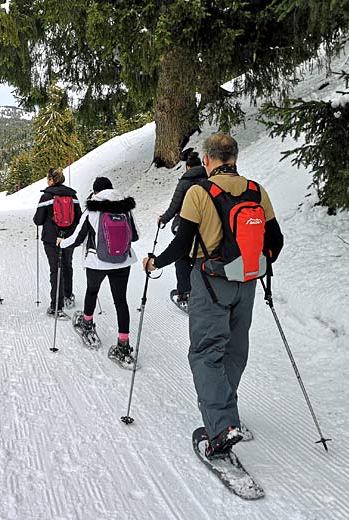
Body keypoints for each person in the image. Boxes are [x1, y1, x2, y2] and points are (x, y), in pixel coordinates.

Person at [143, 133, 284, 457]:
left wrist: (155, 262)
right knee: (235, 349)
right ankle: (226, 413)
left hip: (210, 281)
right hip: (246, 282)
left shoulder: (199, 192)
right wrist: (253, 264)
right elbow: (275, 240)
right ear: (234, 157)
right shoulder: (255, 190)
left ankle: (221, 428)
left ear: (207, 160)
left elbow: (182, 245)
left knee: (206, 352)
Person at [58, 176, 139, 366]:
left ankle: (87, 323)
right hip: (123, 261)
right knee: (121, 300)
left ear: (96, 192)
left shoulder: (92, 210)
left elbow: (77, 238)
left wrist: (62, 243)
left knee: (92, 291)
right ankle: (123, 344)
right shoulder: (125, 207)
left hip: (97, 261)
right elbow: (135, 236)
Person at [157, 148, 208, 308]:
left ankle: (185, 294)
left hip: (185, 225)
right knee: (202, 258)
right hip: (207, 227)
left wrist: (163, 219)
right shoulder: (210, 180)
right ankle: (205, 292)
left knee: (182, 258)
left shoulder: (185, 182)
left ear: (187, 167)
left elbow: (175, 205)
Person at [33, 167, 82, 316]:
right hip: (69, 237)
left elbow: (38, 220)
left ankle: (56, 306)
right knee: (67, 265)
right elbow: (79, 217)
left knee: (56, 269)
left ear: (51, 180)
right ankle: (68, 296)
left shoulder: (46, 196)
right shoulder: (73, 195)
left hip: (51, 238)